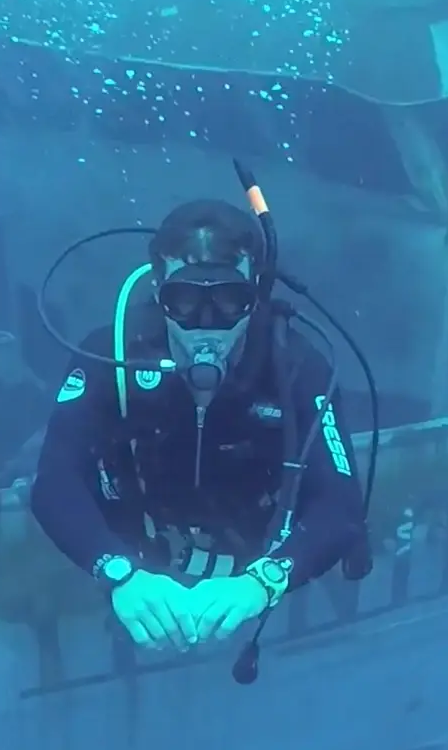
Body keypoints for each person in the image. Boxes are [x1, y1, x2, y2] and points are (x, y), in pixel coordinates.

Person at [30, 199, 366, 652]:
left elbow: (341, 504)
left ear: (256, 294)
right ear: (158, 289)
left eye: (230, 300)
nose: (206, 326)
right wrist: (116, 571)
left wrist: (265, 581)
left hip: (252, 563)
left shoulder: (297, 368)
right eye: (185, 300)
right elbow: (54, 480)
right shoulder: (112, 354)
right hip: (139, 559)